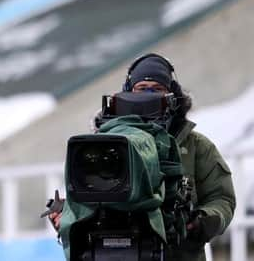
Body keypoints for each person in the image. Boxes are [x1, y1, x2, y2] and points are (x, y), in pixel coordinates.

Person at [49, 53, 235, 261]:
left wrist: (201, 222)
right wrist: (68, 216)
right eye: (142, 89)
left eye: (157, 90)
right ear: (128, 92)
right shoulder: (102, 144)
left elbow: (222, 198)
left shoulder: (196, 146)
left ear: (172, 95)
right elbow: (86, 194)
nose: (148, 96)